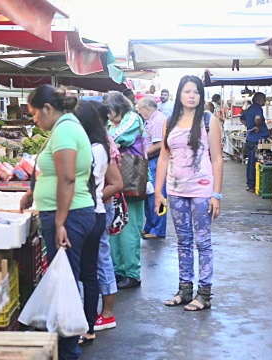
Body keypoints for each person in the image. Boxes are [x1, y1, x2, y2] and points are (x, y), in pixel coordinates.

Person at [19, 85, 94, 360]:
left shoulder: (64, 130)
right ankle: (64, 345)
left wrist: (61, 220)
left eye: (35, 114)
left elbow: (67, 178)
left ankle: (68, 350)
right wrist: (33, 191)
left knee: (67, 281)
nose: (34, 120)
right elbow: (56, 174)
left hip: (70, 215)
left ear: (48, 108)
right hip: (67, 213)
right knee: (66, 278)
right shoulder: (64, 127)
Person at [155, 75, 223, 311]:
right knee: (183, 241)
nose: (191, 96)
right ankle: (185, 290)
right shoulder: (170, 121)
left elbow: (217, 158)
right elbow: (164, 157)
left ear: (201, 95)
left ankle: (204, 293)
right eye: (187, 91)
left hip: (202, 190)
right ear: (179, 95)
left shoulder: (208, 120)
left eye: (196, 92)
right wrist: (158, 192)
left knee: (202, 242)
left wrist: (217, 194)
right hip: (175, 191)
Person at [73, 101, 123, 347]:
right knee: (90, 271)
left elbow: (76, 180)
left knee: (85, 271)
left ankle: (86, 322)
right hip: (97, 212)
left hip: (88, 213)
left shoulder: (90, 149)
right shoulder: (101, 146)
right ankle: (89, 326)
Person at [105, 91, 147, 289]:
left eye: (110, 110)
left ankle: (132, 273)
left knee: (129, 229)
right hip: (112, 182)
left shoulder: (132, 119)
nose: (108, 115)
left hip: (131, 181)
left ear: (119, 107)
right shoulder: (109, 124)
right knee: (113, 227)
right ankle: (118, 270)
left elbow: (115, 138)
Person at [90, 101, 122, 332]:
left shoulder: (103, 145)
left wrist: (95, 196)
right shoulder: (98, 142)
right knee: (99, 257)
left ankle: (107, 313)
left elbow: (117, 182)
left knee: (101, 257)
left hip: (102, 207)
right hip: (101, 205)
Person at [138, 96, 168, 239]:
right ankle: (150, 226)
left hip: (156, 162)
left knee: (158, 195)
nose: (139, 112)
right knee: (149, 196)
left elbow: (159, 144)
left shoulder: (157, 121)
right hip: (150, 163)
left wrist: (141, 154)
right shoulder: (151, 120)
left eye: (140, 109)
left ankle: (158, 229)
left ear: (146, 108)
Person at [240, 92, 268, 192]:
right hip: (257, 138)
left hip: (250, 138)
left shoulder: (249, 108)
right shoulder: (257, 108)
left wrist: (249, 126)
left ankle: (250, 184)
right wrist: (258, 127)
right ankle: (252, 185)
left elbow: (241, 118)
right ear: (259, 99)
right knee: (254, 161)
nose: (265, 101)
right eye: (264, 99)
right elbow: (258, 118)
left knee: (251, 162)